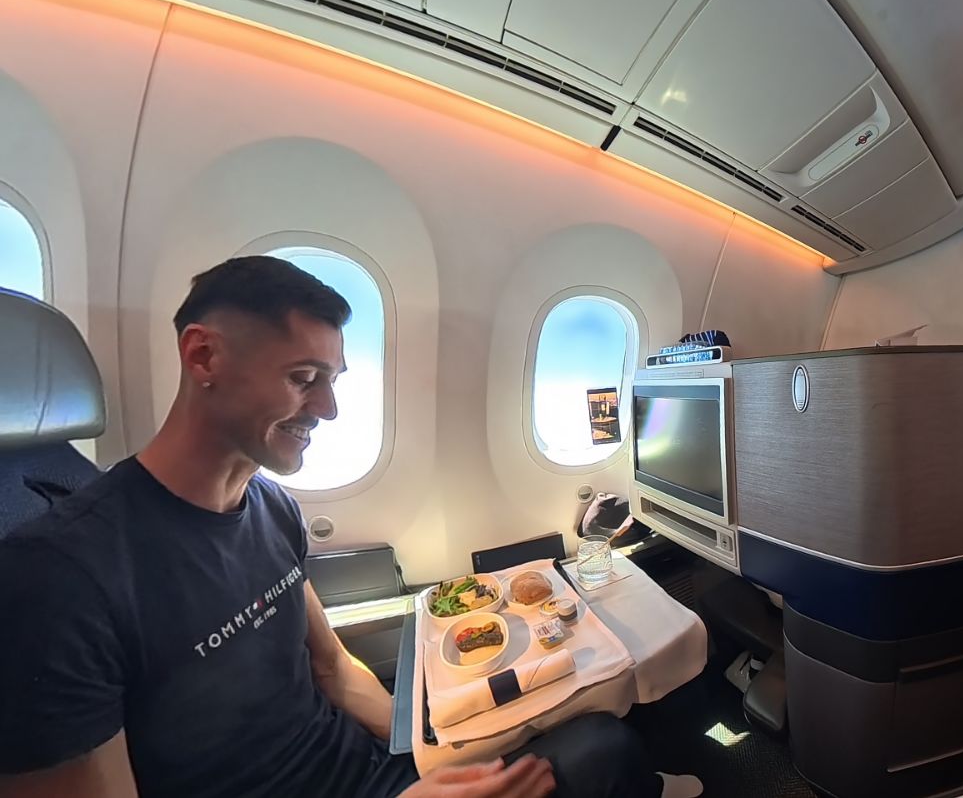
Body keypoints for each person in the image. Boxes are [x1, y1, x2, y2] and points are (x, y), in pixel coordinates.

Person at [0, 256, 690, 798]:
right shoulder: (58, 580)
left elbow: (331, 667)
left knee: (601, 742)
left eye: (333, 380)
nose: (328, 409)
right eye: (304, 378)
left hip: (370, 771)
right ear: (203, 356)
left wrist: (434, 754)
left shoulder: (272, 509)